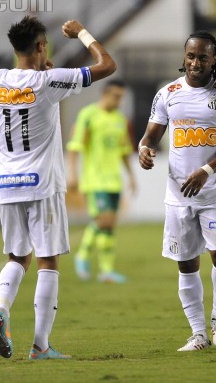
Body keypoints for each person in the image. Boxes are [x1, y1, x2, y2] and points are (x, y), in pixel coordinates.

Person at [0, 15, 116, 360]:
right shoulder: (49, 81)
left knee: (17, 257)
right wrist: (82, 32)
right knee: (47, 260)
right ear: (41, 47)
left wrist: (28, 81)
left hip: (6, 182)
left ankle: (1, 307)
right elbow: (107, 65)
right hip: (42, 182)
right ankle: (40, 345)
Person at [139, 31, 216, 351]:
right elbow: (149, 137)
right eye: (191, 56)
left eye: (203, 57)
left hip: (214, 193)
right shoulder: (167, 94)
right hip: (178, 196)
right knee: (186, 264)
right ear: (184, 58)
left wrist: (206, 171)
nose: (196, 62)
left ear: (214, 60)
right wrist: (144, 149)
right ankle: (198, 334)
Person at [67, 79, 136, 284]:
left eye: (121, 97)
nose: (119, 100)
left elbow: (124, 151)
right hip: (95, 179)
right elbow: (75, 146)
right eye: (116, 96)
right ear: (105, 94)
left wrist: (131, 176)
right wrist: (72, 174)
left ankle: (106, 270)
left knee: (109, 226)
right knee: (103, 221)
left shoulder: (120, 120)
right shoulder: (88, 115)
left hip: (114, 179)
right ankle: (83, 255)